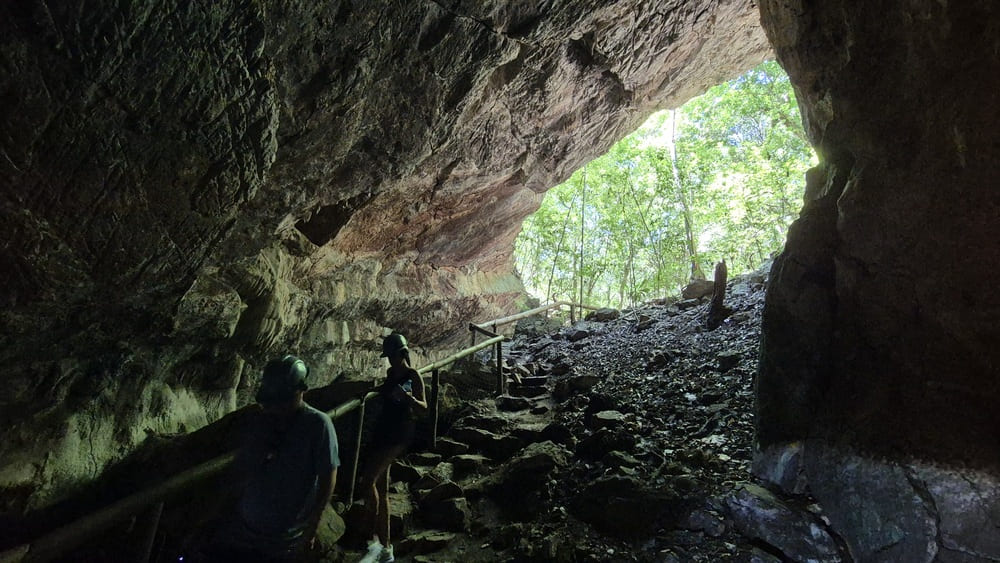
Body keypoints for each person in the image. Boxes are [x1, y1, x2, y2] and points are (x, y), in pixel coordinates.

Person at [208, 355, 340, 562]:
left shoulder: (318, 426)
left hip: (284, 539)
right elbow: (242, 469)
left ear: (300, 390)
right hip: (245, 528)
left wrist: (312, 528)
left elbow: (327, 478)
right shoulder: (262, 421)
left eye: (282, 400)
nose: (276, 406)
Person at [358, 333, 428, 563]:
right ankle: (386, 548)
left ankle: (372, 540)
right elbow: (384, 389)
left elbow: (424, 408)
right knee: (381, 487)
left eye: (392, 356)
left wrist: (409, 399)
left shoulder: (413, 375)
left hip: (400, 434)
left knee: (368, 481)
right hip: (384, 431)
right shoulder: (391, 374)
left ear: (401, 353)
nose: (389, 361)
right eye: (388, 357)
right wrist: (366, 390)